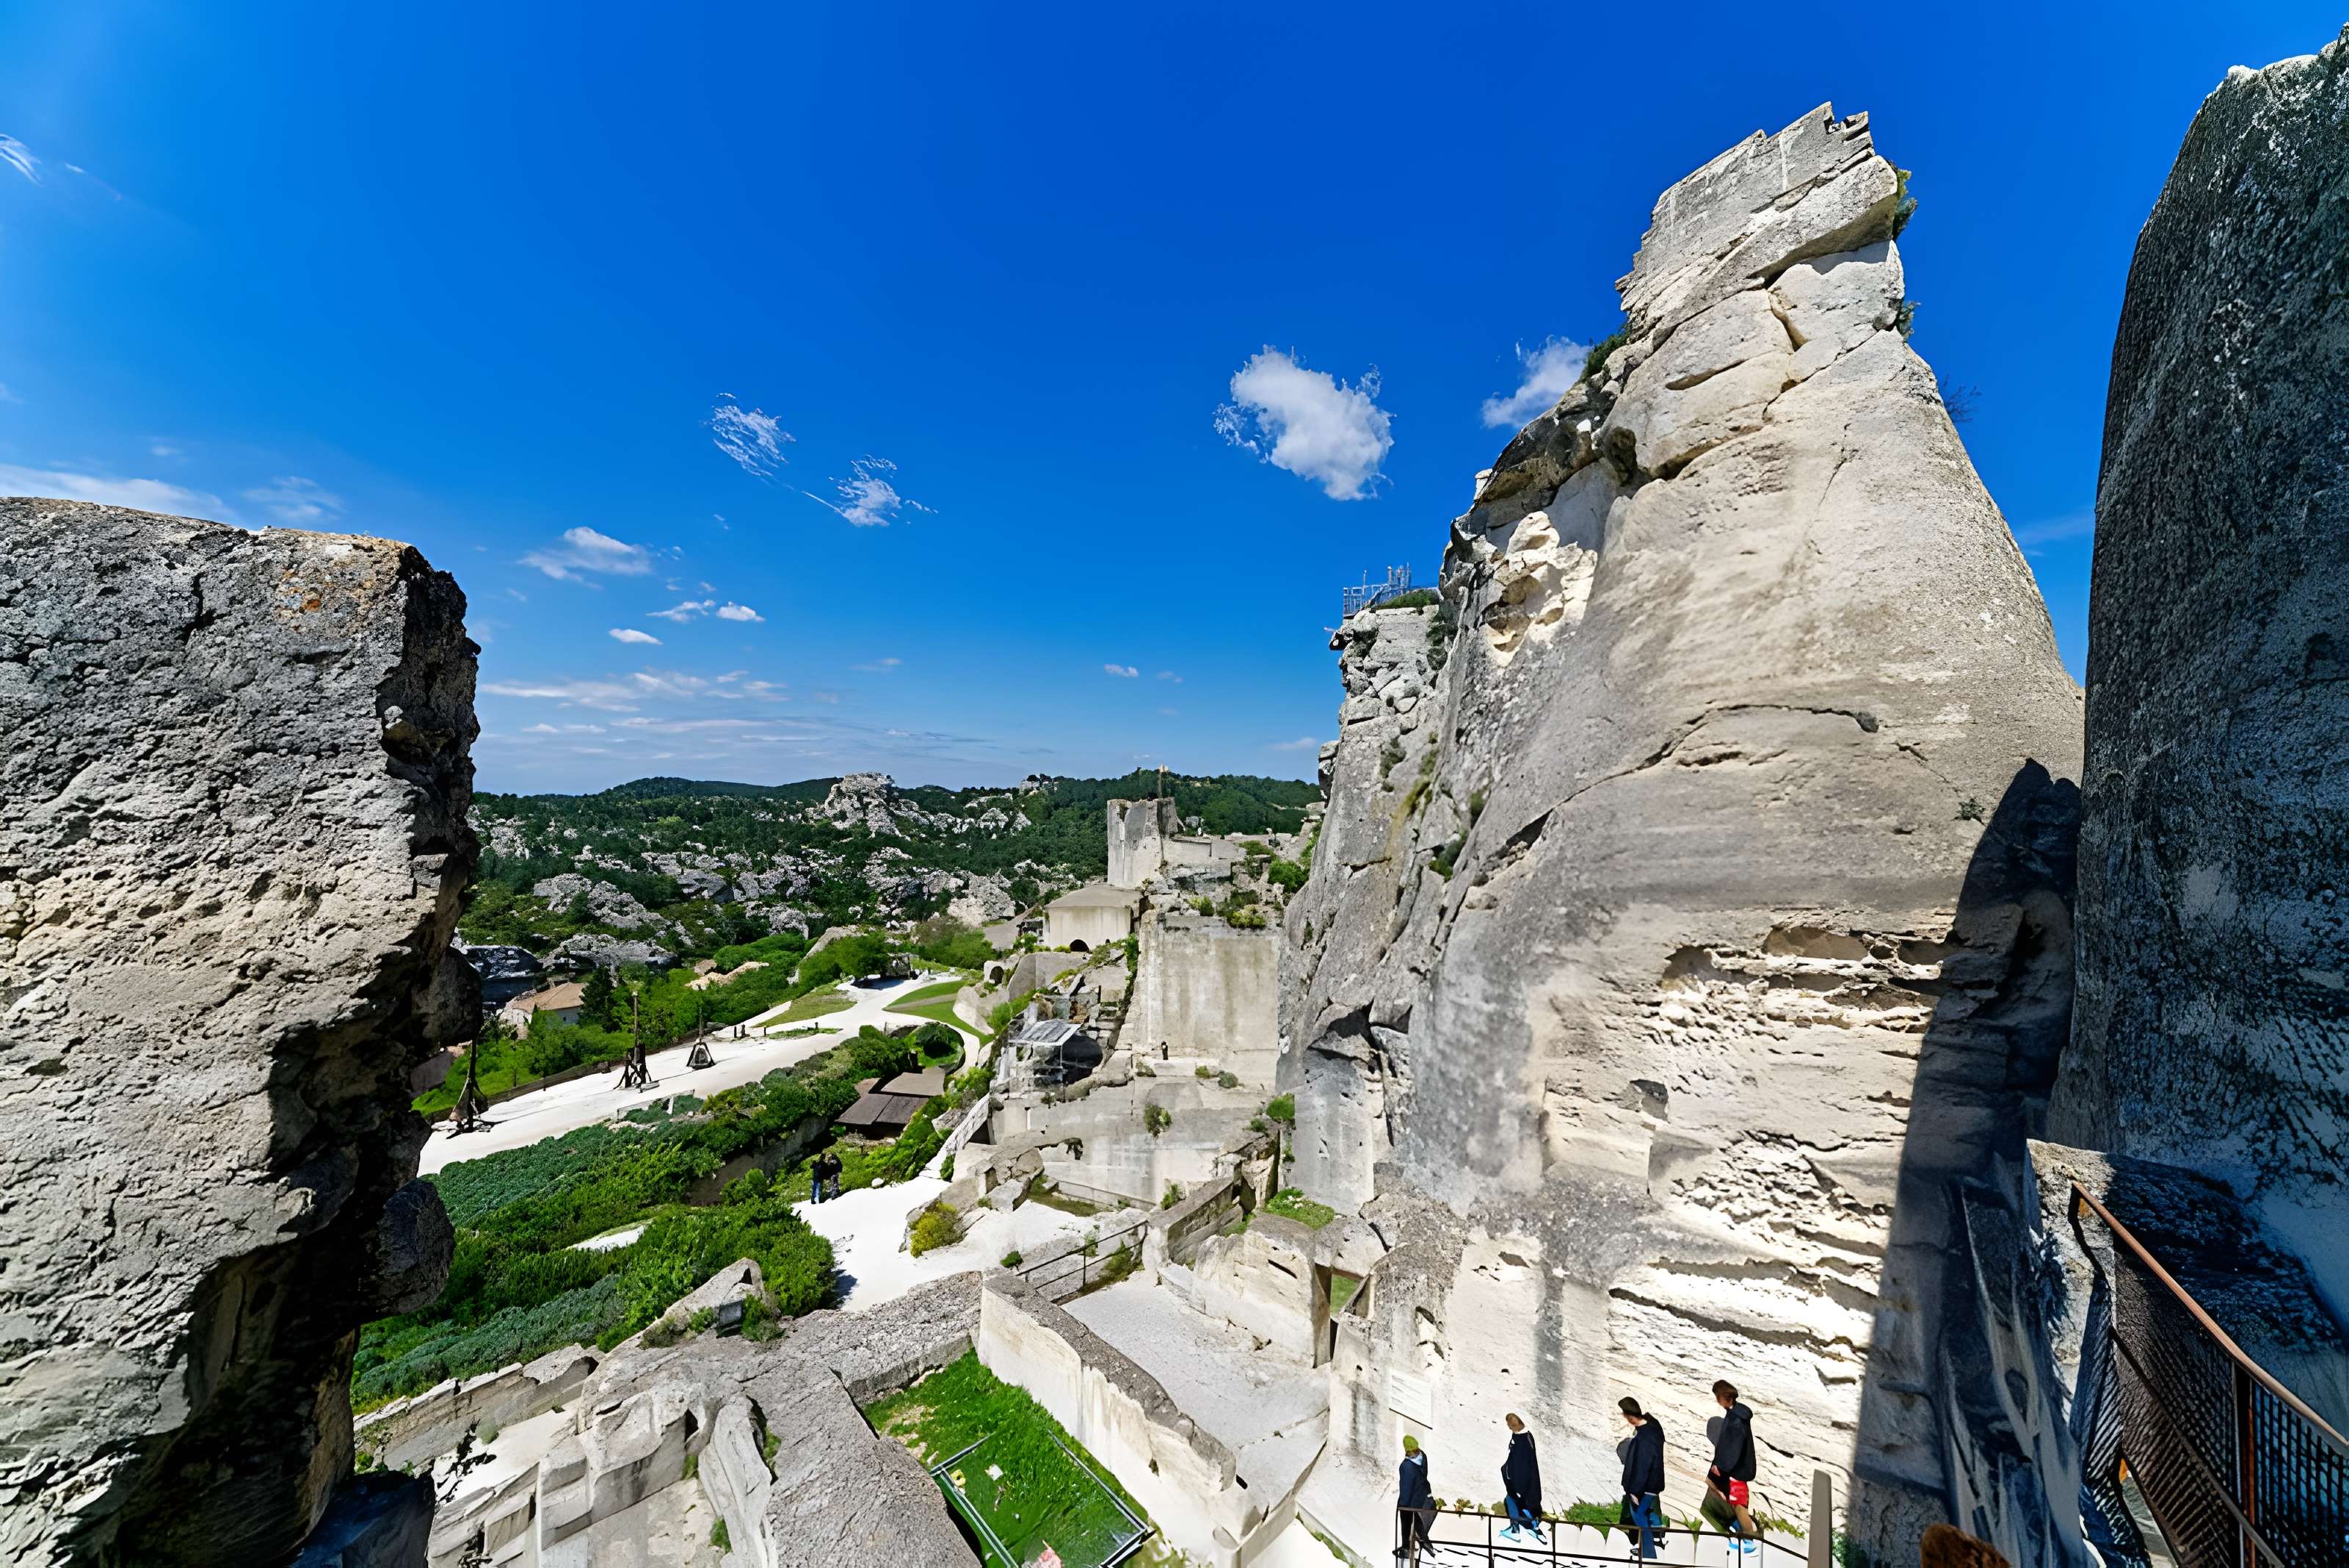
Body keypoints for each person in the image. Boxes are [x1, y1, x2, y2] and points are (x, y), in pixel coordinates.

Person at [1709, 1380, 1760, 1556]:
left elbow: (1733, 1449)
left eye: (1717, 1397)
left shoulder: (1736, 1419)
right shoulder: (1735, 1414)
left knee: (1739, 1505)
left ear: (1723, 1397)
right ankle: (1739, 1534)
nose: (1717, 1401)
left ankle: (1750, 1543)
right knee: (1732, 1502)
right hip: (1739, 1469)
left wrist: (1721, 1468)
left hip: (1737, 1471)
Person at [1619, 1397, 1667, 1561]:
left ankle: (1648, 1553)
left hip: (1644, 1487)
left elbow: (1642, 1467)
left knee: (1639, 1515)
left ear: (1630, 1417)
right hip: (1655, 1483)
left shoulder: (1644, 1440)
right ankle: (1658, 1539)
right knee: (1651, 1513)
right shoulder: (1653, 1426)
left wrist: (1635, 1492)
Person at [1500, 1413, 1545, 1545]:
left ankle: (1515, 1530)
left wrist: (1515, 1486)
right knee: (1532, 1504)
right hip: (1532, 1482)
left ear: (1511, 1426)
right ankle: (1535, 1528)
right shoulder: (1528, 1436)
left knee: (1511, 1499)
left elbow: (1519, 1467)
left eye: (1508, 1425)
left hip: (1521, 1484)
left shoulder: (1520, 1442)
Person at [1395, 1433, 1434, 1563]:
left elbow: (1406, 1488)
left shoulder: (1406, 1467)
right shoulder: (1423, 1457)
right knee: (1417, 1520)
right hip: (1423, 1495)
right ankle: (1426, 1543)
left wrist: (1402, 1504)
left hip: (1412, 1501)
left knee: (1406, 1519)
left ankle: (1406, 1547)